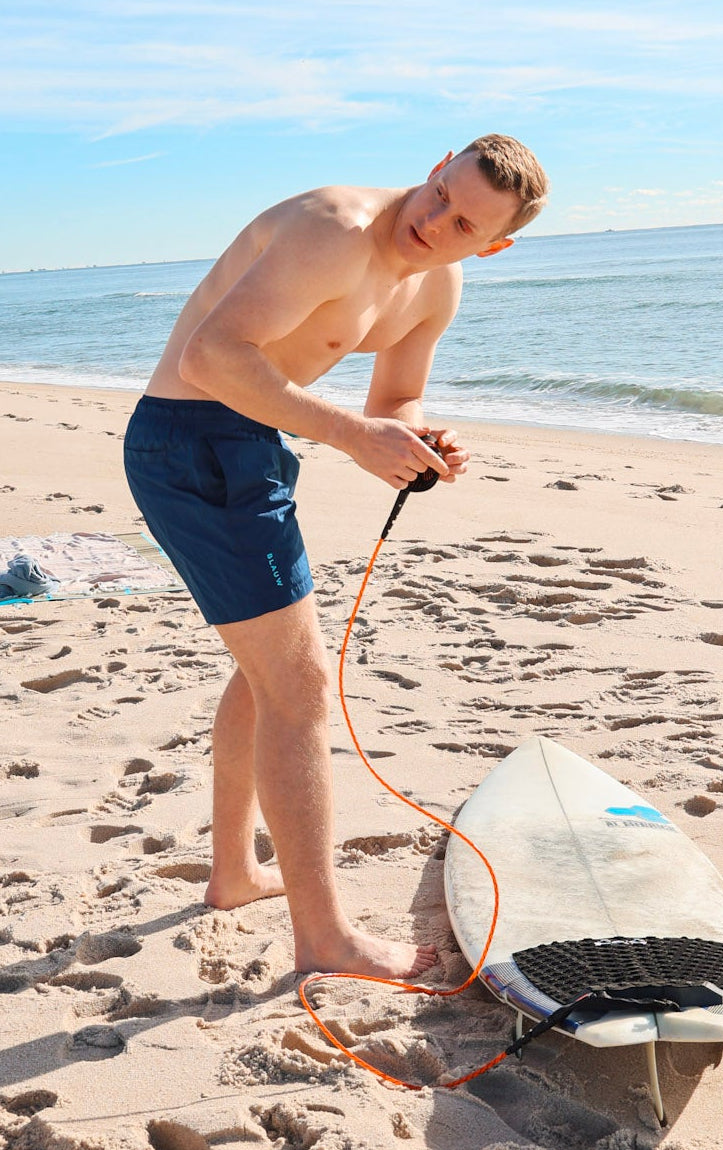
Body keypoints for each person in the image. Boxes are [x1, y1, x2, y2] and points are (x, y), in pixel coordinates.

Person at [123, 134, 549, 979]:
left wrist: (419, 439)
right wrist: (351, 436)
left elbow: (394, 397)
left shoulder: (436, 284)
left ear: (492, 245)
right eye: (440, 194)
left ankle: (236, 873)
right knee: (301, 686)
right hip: (192, 443)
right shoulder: (335, 227)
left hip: (251, 444)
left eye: (464, 224)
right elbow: (212, 356)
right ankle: (325, 939)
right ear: (434, 169)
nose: (436, 222)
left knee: (269, 672)